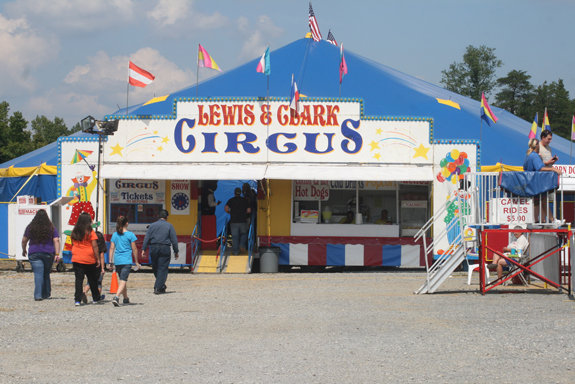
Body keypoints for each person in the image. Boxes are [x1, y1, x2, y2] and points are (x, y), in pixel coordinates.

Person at [21, 210, 60, 301]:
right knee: (46, 273)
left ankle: (38, 295)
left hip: (34, 253)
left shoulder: (30, 227)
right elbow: (56, 240)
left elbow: (24, 240)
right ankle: (46, 294)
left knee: (38, 274)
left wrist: (24, 250)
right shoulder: (51, 228)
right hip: (48, 253)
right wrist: (57, 254)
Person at [523, 138, 562, 222]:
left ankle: (537, 220)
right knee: (543, 201)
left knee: (537, 202)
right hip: (536, 183)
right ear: (536, 145)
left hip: (531, 182)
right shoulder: (534, 155)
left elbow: (530, 166)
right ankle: (552, 219)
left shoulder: (529, 155)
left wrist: (547, 163)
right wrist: (553, 169)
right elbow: (540, 168)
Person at [141, 209, 179, 294]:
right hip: (164, 248)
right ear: (167, 217)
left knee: (155, 267)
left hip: (153, 247)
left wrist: (143, 249)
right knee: (163, 268)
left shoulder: (152, 225)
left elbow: (147, 238)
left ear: (159, 216)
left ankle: (161, 285)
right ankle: (158, 287)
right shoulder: (169, 226)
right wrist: (176, 251)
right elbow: (174, 240)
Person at [71, 212, 103, 306]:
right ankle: (96, 298)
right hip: (89, 258)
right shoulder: (90, 232)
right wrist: (97, 258)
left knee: (79, 280)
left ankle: (77, 300)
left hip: (77, 257)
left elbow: (73, 243)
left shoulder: (75, 231)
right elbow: (95, 246)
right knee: (92, 279)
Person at [109, 216, 140, 306]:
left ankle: (125, 298)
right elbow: (134, 249)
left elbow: (111, 248)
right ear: (126, 223)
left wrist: (110, 261)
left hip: (117, 260)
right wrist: (137, 261)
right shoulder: (130, 235)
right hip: (126, 260)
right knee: (123, 280)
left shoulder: (115, 235)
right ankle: (116, 297)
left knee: (123, 280)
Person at [81, 229, 107, 304]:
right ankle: (97, 297)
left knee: (89, 281)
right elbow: (102, 257)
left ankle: (84, 291)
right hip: (98, 266)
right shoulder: (100, 249)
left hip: (90, 264)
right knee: (99, 282)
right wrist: (102, 268)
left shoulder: (91, 247)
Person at [225, 188, 251, 255]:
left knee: (235, 236)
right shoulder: (245, 200)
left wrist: (230, 212)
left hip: (233, 221)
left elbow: (226, 208)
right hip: (243, 220)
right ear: (241, 193)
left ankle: (235, 252)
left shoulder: (231, 200)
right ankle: (242, 245)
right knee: (244, 234)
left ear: (234, 193)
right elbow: (249, 210)